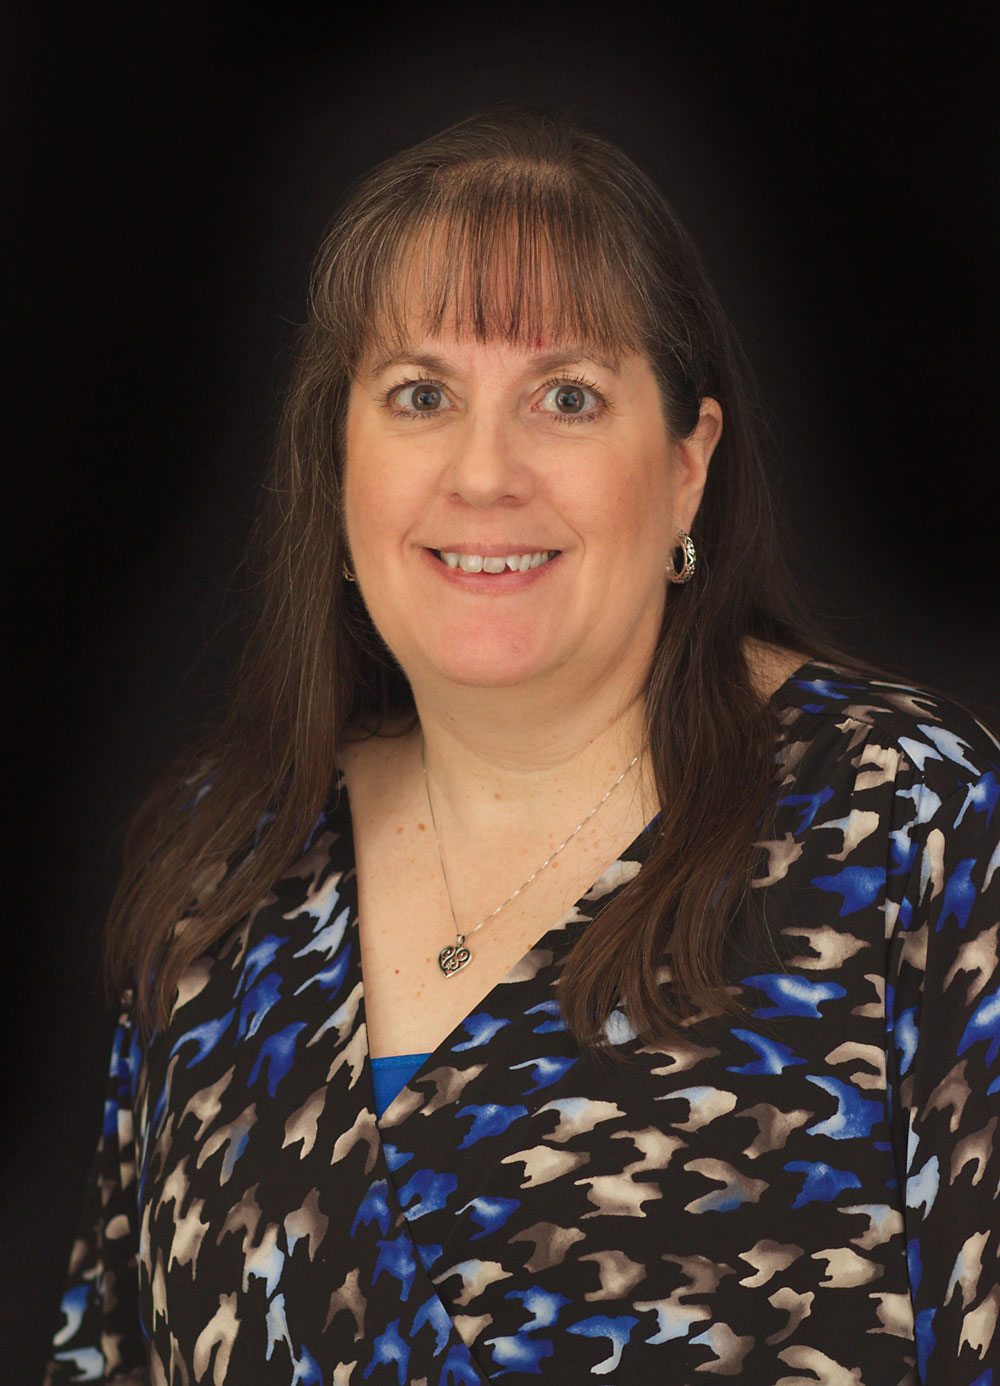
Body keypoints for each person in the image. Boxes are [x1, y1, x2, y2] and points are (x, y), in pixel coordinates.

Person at [43, 107, 999, 1385]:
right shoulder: (225, 869)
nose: (484, 472)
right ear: (338, 465)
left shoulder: (915, 823)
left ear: (683, 466)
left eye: (566, 395)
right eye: (421, 394)